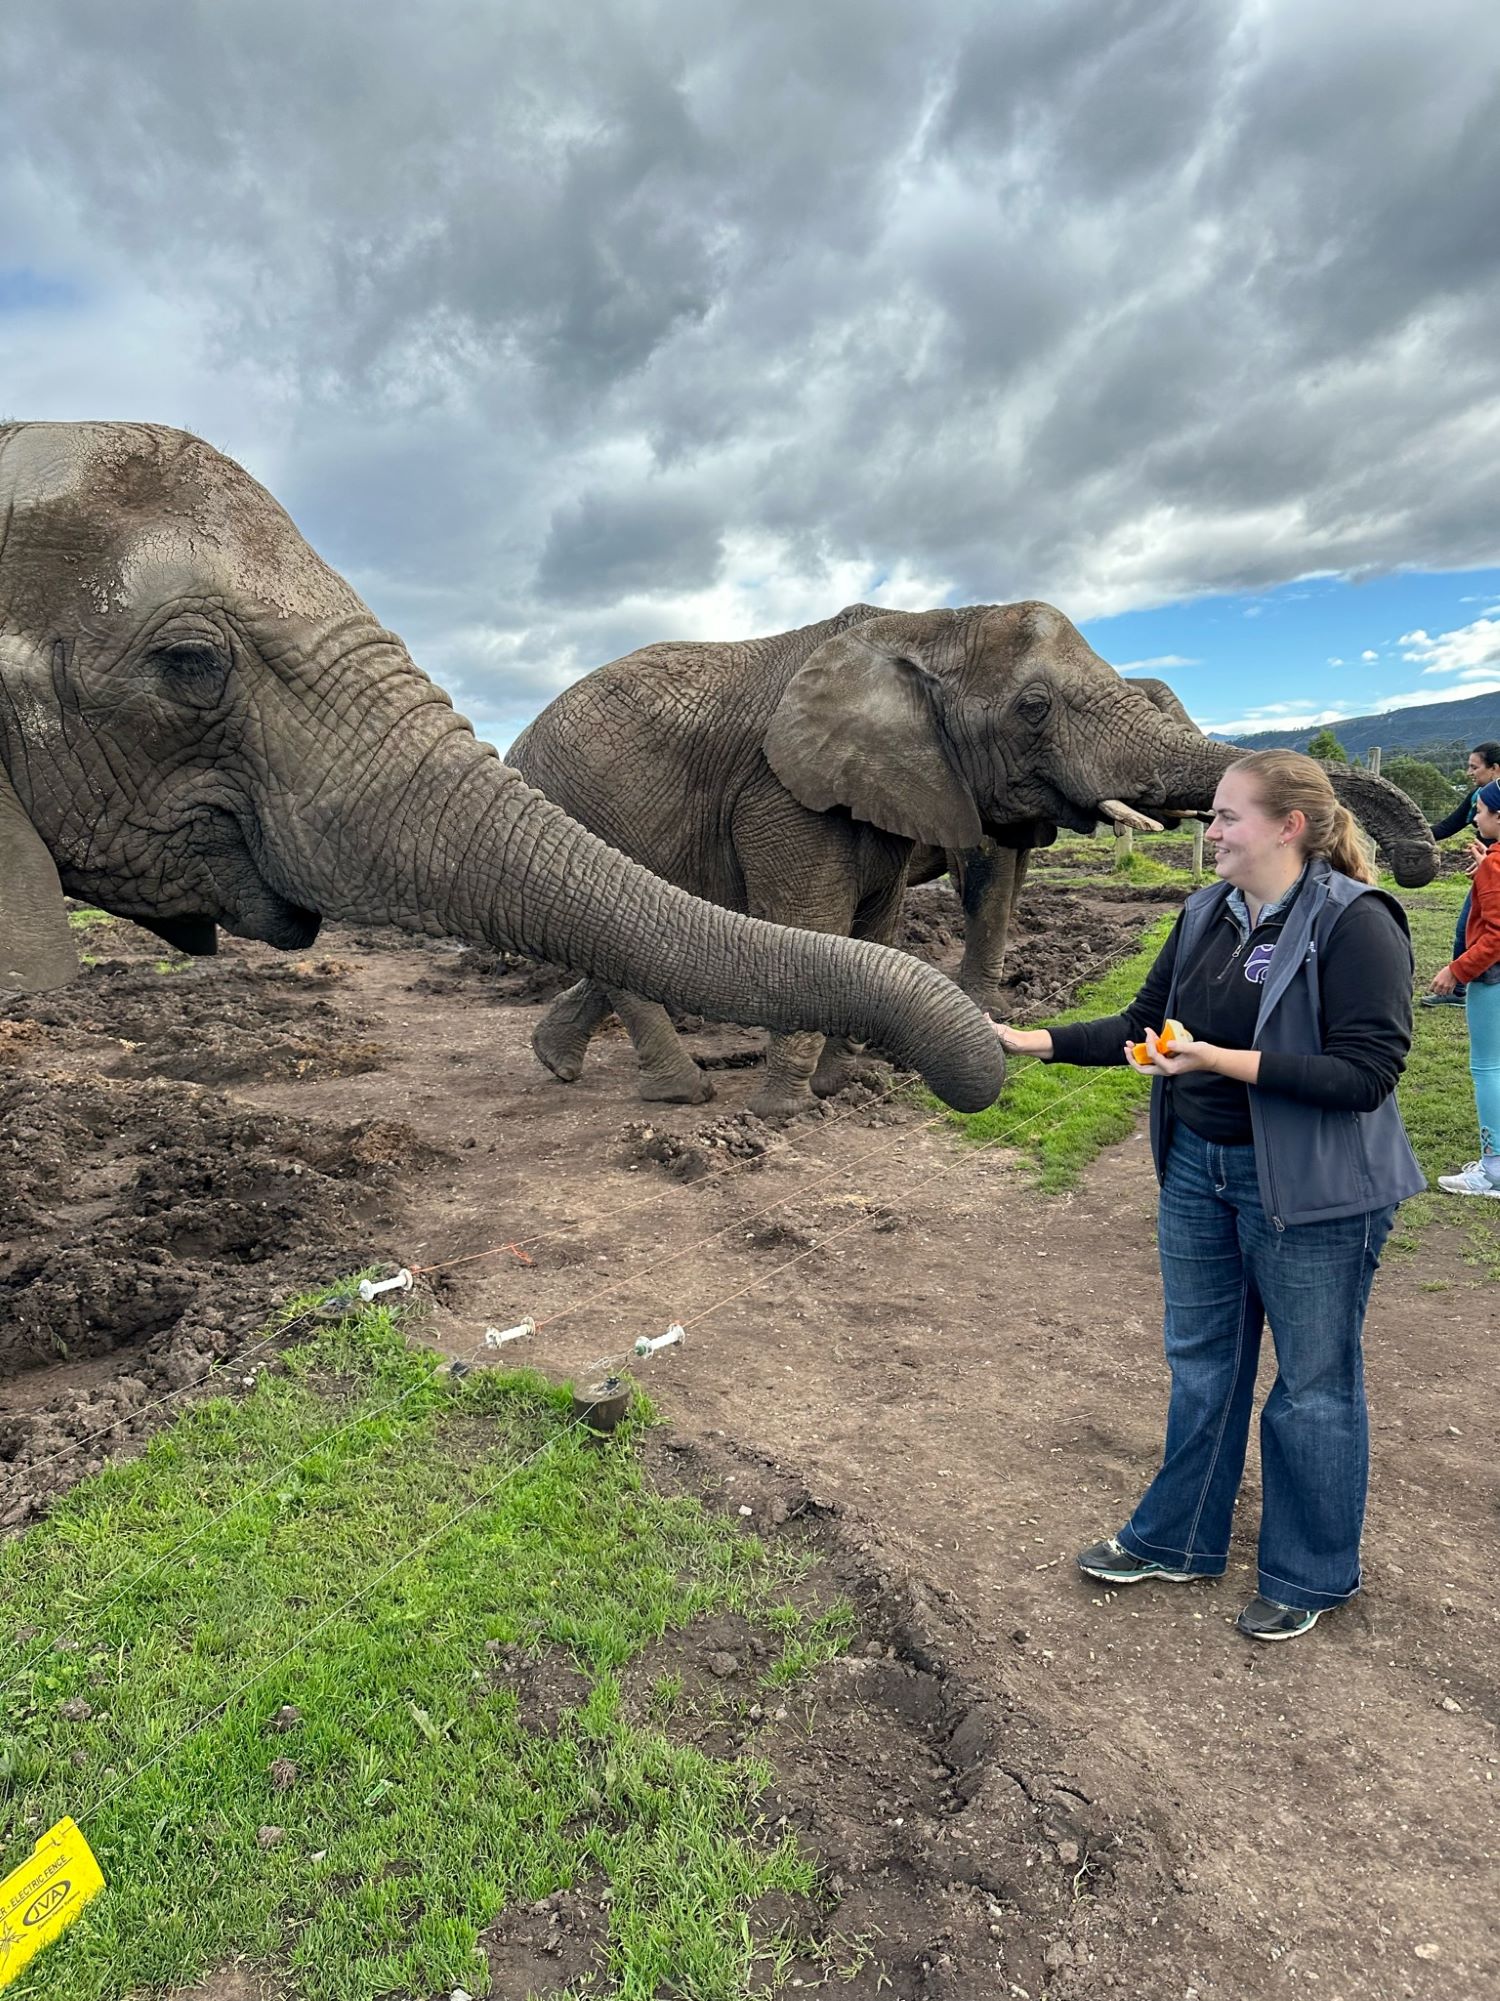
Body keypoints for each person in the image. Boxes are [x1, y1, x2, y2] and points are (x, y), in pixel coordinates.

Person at [996, 750, 1424, 1643]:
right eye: (1213, 816)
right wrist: (1024, 1039)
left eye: (1228, 816)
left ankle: (1309, 1571)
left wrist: (1220, 1060)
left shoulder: (1355, 922)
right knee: (1203, 1363)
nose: (1212, 831)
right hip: (1199, 1169)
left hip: (1311, 1191)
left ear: (1288, 826)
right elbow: (1139, 1026)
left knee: (1312, 1385)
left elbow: (1367, 1073)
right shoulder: (1206, 912)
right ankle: (1178, 1538)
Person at [1432, 777, 1500, 1198]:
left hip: (1492, 979)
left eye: (1480, 810)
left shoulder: (1495, 864)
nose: (1474, 817)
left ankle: (1492, 1168)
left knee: (1487, 1068)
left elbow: (1495, 934)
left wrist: (1457, 971)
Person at [1419, 741, 1500, 1008]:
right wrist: (1411, 834)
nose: (1468, 772)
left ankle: (1459, 983)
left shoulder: (1489, 799)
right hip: (1488, 869)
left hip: (1492, 873)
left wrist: (1491, 863)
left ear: (1495, 769)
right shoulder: (1480, 796)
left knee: (1477, 929)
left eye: (1474, 766)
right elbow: (1449, 825)